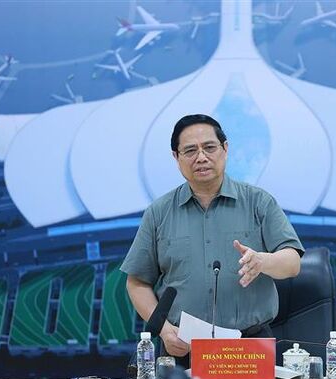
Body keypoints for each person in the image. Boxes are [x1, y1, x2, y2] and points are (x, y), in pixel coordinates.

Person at [121, 114, 304, 365]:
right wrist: (164, 330)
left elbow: (292, 262)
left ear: (225, 149)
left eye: (209, 147)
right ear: (176, 157)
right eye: (190, 151)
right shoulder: (159, 212)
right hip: (182, 348)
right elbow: (137, 283)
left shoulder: (258, 202)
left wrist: (262, 261)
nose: (201, 157)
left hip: (249, 348)